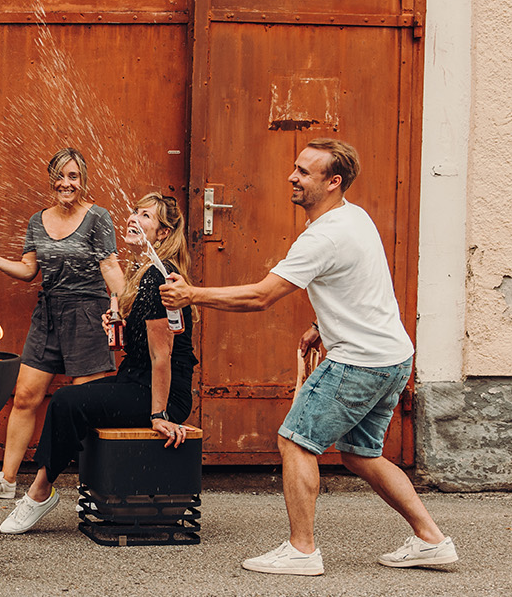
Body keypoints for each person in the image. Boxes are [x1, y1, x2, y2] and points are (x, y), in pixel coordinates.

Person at [160, 138, 457, 576]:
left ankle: (302, 551)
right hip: (393, 356)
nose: (291, 177)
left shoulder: (323, 237)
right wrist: (322, 325)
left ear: (333, 182)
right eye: (295, 168)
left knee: (296, 440)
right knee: (361, 453)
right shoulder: (354, 218)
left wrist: (191, 295)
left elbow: (262, 296)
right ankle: (431, 540)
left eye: (303, 172)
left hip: (358, 362)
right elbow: (358, 283)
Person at [0, 193, 197, 534]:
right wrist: (119, 326)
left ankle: (39, 492)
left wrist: (159, 415)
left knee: (65, 401)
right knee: (76, 401)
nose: (134, 219)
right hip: (135, 380)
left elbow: (161, 356)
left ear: (163, 233)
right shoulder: (142, 272)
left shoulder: (159, 278)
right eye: (135, 211)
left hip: (160, 394)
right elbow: (143, 345)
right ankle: (68, 488)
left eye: (146, 216)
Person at [0, 148, 126, 500]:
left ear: (83, 180)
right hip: (48, 315)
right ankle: (7, 481)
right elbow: (28, 270)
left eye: (73, 176)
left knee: (86, 404)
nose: (66, 183)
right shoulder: (37, 220)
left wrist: (123, 305)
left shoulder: (98, 217)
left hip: (88, 314)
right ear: (51, 179)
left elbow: (110, 267)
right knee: (25, 396)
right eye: (60, 176)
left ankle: (95, 485)